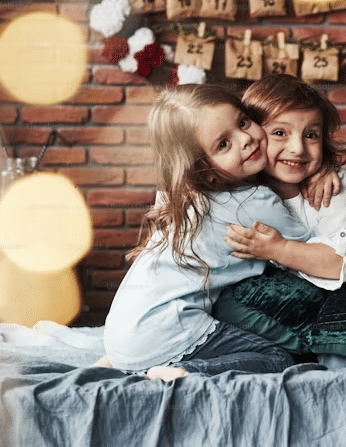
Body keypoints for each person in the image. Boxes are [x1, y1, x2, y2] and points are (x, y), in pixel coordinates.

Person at [101, 84, 328, 381]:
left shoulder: (180, 198)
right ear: (205, 170)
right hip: (168, 331)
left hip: (121, 333)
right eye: (224, 144)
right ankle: (183, 372)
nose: (245, 139)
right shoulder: (256, 201)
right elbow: (309, 248)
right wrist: (320, 172)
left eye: (243, 122)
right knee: (277, 358)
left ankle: (133, 362)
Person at [224, 75, 346, 292]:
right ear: (252, 136)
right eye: (279, 133)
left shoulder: (329, 187)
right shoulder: (239, 191)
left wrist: (278, 249)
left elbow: (344, 262)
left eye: (311, 135)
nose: (298, 148)